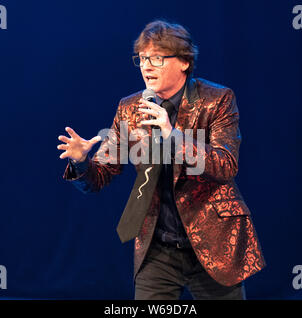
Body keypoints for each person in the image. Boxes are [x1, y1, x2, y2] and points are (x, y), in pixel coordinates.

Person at [57, 20, 265, 300]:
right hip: (158, 247)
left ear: (184, 61)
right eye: (142, 59)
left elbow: (225, 164)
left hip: (214, 242)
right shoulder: (130, 108)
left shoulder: (217, 100)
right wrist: (82, 162)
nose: (146, 66)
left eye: (156, 58)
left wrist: (173, 134)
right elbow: (101, 175)